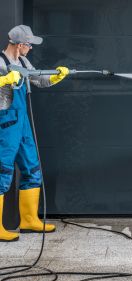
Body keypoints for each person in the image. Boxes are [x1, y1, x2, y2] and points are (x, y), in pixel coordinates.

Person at [0, 25, 69, 242]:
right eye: (29, 45)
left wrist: (56, 76)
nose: (30, 48)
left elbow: (38, 80)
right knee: (2, 173)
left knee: (32, 167)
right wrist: (3, 80)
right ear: (20, 44)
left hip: (22, 123)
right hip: (5, 123)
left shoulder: (23, 62)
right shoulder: (0, 62)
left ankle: (29, 220)